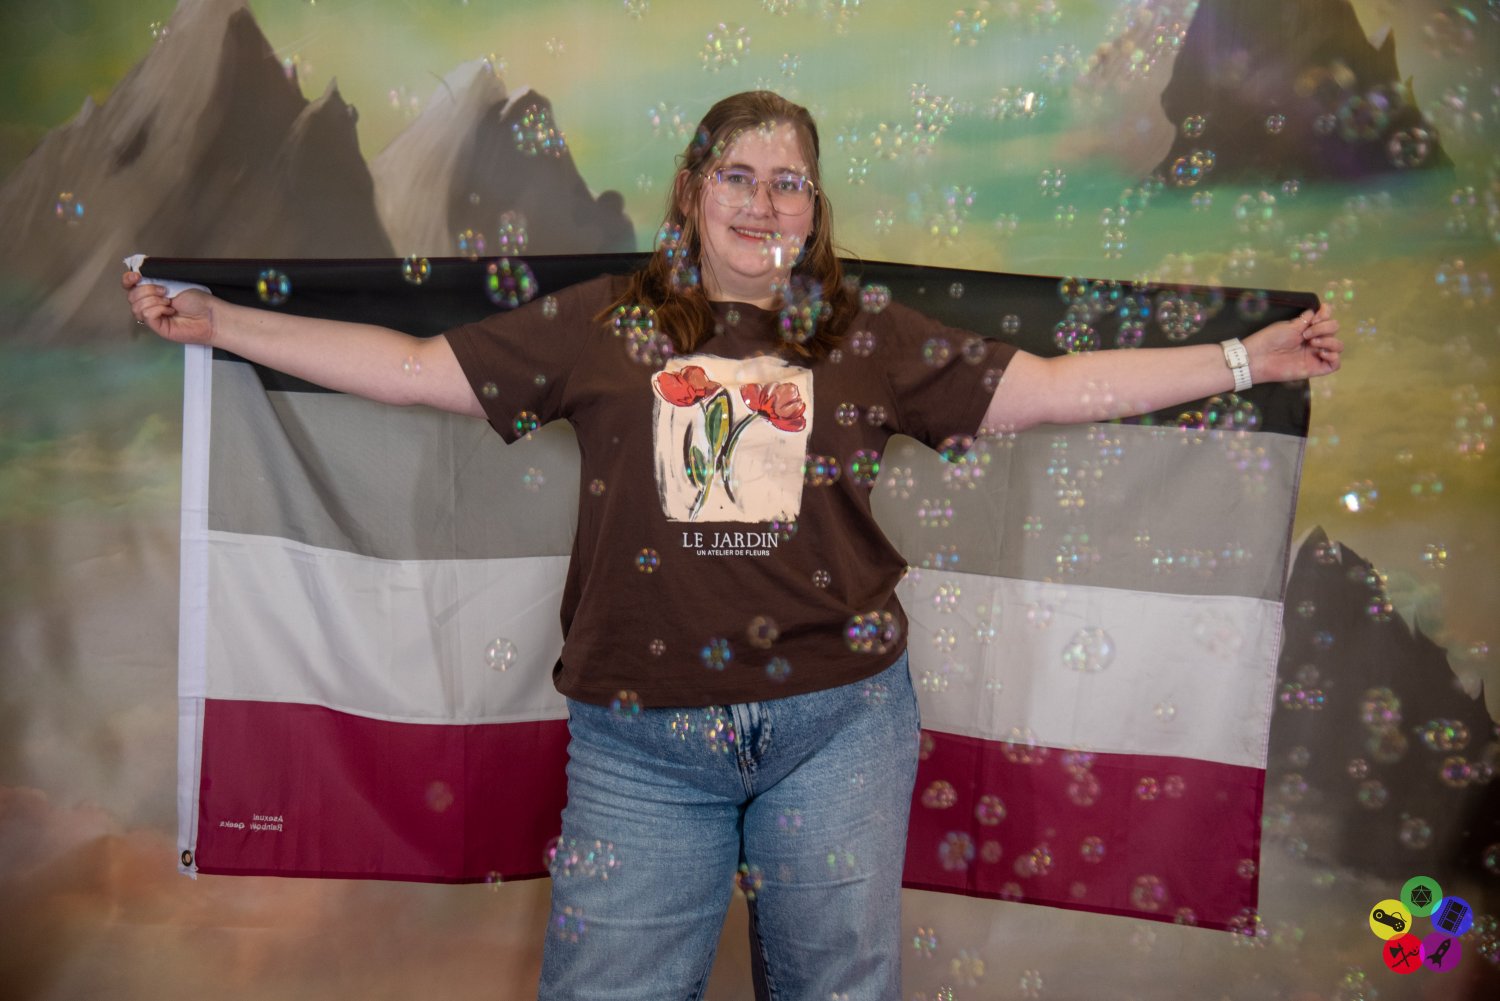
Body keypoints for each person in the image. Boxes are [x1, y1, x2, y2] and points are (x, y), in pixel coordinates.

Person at [125, 90, 1341, 1001]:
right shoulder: (604, 324)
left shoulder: (866, 334)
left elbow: (1060, 387)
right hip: (638, 744)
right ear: (692, 193)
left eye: (790, 182)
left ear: (817, 206)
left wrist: (1250, 359)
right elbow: (405, 369)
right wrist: (222, 322)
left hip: (841, 723)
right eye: (739, 176)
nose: (764, 203)